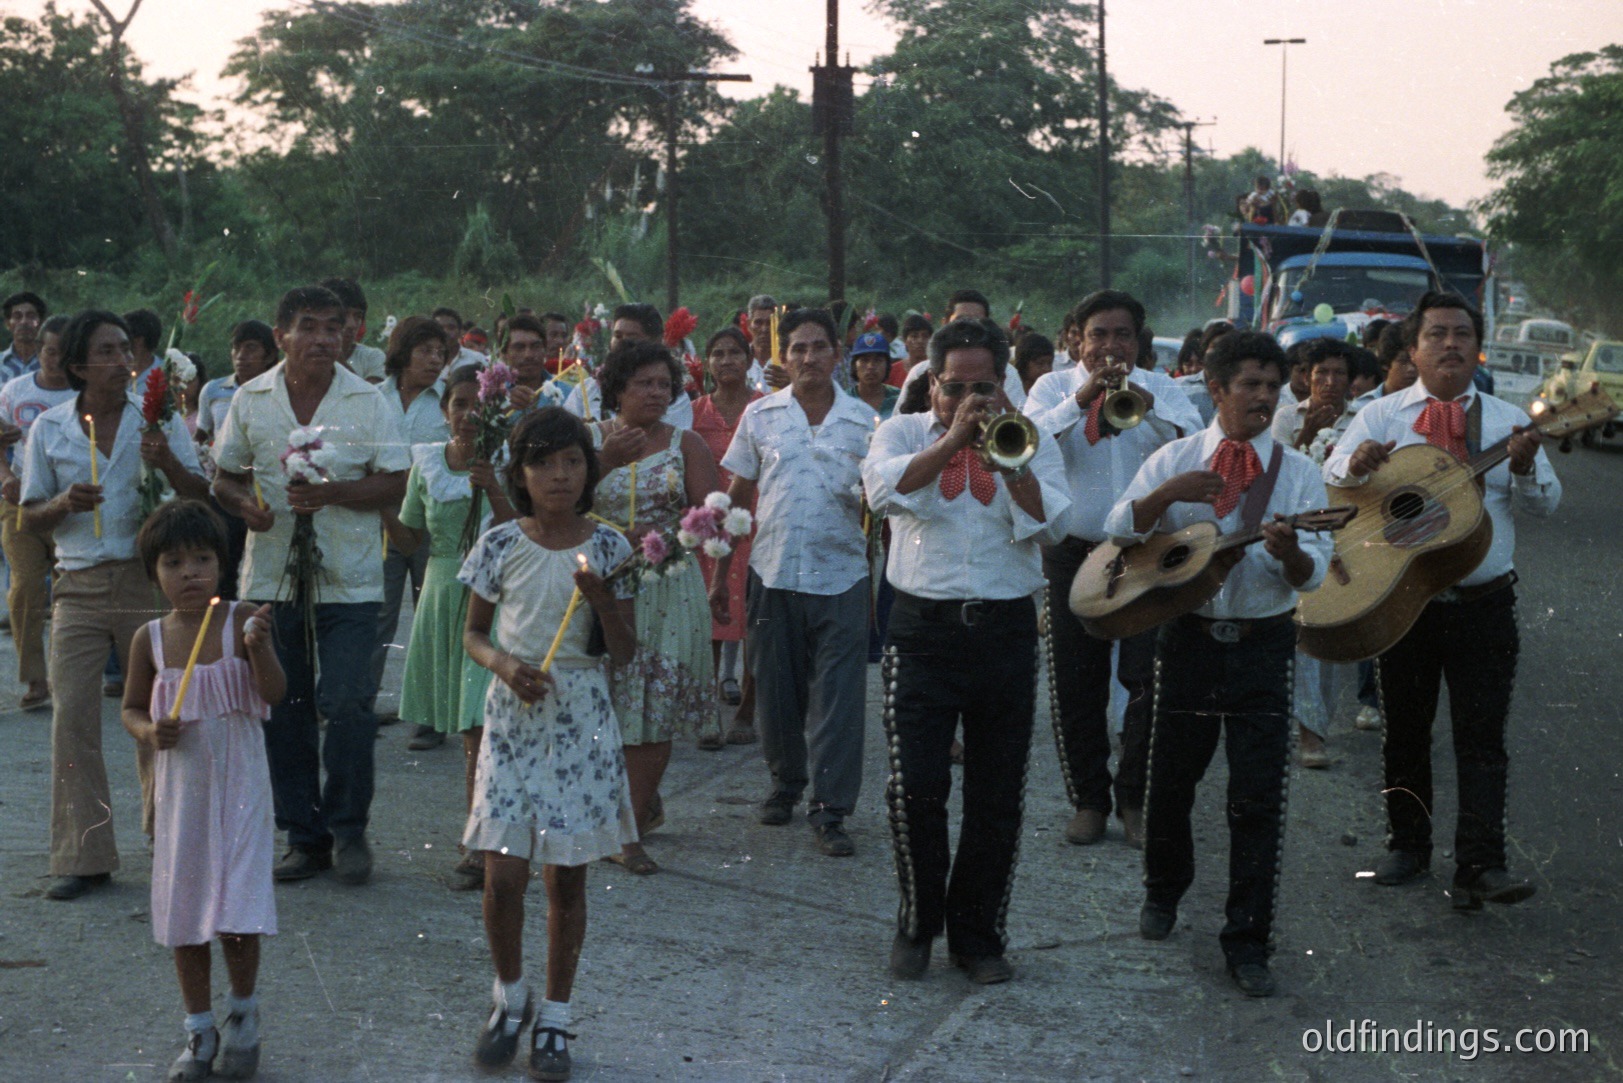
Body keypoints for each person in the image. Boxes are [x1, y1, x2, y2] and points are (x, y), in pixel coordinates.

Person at [1110, 330, 1332, 998]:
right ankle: (1162, 888)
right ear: (1215, 389)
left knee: (1256, 797)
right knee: (1171, 781)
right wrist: (1166, 492)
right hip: (1186, 638)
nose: (1264, 397)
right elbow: (1119, 532)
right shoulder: (1175, 457)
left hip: (1263, 643)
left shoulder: (1296, 473)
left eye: (1272, 386)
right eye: (1250, 385)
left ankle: (1247, 939)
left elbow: (1313, 574)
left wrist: (1290, 553)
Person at [1324, 291, 1559, 909]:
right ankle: (1408, 846)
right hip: (1403, 599)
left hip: (1484, 603)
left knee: (1481, 737)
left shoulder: (1510, 421)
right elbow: (1333, 476)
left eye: (1461, 334)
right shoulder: (1381, 415)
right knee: (1404, 728)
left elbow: (1546, 506)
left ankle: (1482, 864)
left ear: (1477, 348)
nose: (1450, 344)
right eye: (1436, 335)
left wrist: (1528, 467)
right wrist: (1358, 461)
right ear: (1413, 350)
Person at [863, 318, 1070, 985]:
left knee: (997, 795)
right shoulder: (898, 432)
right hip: (922, 631)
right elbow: (881, 493)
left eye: (984, 385)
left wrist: (1009, 464)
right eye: (955, 386)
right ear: (931, 384)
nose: (970, 398)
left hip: (1006, 630)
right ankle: (917, 923)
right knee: (915, 789)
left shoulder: (1028, 440)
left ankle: (978, 935)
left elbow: (1055, 527)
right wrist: (952, 439)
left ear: (1004, 382)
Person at [458, 407, 637, 1082]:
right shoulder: (500, 543)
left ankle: (556, 1017)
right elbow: (473, 633)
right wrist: (504, 664)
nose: (559, 476)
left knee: (565, 876)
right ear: (520, 474)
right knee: (502, 874)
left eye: (571, 461)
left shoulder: (612, 547)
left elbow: (623, 649)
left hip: (580, 720)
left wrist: (601, 600)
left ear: (589, 469)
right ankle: (509, 994)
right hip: (512, 719)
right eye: (543, 463)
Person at [211, 285, 411, 886]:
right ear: (282, 336)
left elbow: (396, 482)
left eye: (334, 327)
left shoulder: (369, 400)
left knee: (348, 701)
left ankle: (350, 831)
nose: (324, 338)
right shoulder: (251, 398)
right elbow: (222, 478)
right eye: (309, 326)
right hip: (272, 577)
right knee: (285, 704)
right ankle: (305, 836)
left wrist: (333, 495)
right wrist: (246, 505)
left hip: (351, 578)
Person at [20, 309, 209, 900]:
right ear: (78, 365)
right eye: (107, 351)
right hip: (75, 585)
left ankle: (172, 844)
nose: (123, 360)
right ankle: (86, 854)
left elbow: (198, 492)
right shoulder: (49, 429)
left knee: (158, 717)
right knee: (72, 719)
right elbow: (29, 514)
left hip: (142, 582)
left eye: (126, 349)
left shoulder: (157, 420)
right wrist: (63, 505)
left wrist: (167, 462)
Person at [1023, 290, 1202, 848]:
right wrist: (1082, 398)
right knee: (1077, 682)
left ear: (1137, 340)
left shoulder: (1164, 386)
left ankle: (1134, 798)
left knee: (1150, 680)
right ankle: (1089, 801)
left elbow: (1195, 446)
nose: (1109, 345)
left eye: (1121, 335)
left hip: (1147, 551)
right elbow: (1027, 444)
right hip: (1074, 549)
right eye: (1098, 334)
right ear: (1077, 337)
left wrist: (1147, 401)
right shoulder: (1051, 386)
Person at [121, 501, 286, 1082]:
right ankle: (199, 1029)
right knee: (187, 911)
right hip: (184, 797)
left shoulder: (242, 623)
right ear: (153, 572)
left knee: (238, 910)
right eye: (173, 562)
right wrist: (150, 731)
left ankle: (244, 1013)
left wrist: (261, 646)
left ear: (224, 563)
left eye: (203, 558)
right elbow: (132, 708)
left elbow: (274, 691)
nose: (190, 572)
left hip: (242, 789)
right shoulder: (151, 640)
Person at [714, 308, 877, 858]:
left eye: (819, 347)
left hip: (843, 576)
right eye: (798, 349)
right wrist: (718, 571)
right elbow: (738, 496)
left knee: (839, 698)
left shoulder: (865, 422)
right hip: (773, 572)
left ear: (838, 354)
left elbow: (883, 502)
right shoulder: (761, 417)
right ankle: (786, 784)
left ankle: (831, 809)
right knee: (776, 691)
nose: (809, 358)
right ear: (784, 358)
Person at [592, 340, 721, 871]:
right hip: (602, 589)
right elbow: (562, 501)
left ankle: (626, 833)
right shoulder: (589, 438)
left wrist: (663, 537)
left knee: (654, 706)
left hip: (667, 586)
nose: (655, 393)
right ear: (617, 389)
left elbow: (709, 520)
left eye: (664, 384)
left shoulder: (685, 444)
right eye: (643, 383)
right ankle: (628, 806)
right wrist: (605, 461)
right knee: (606, 704)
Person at [394, 368, 517, 887]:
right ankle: (481, 840)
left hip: (490, 597)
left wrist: (492, 486)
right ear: (444, 409)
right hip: (442, 592)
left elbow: (518, 528)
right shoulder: (425, 461)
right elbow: (408, 535)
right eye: (459, 404)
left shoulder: (507, 462)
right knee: (470, 730)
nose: (468, 414)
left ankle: (481, 845)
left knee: (480, 727)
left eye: (477, 405)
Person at [1269, 338, 1361, 768]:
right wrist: (1305, 434)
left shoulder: (1364, 420)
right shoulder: (1286, 417)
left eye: (1338, 374)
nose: (1328, 382)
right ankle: (1311, 735)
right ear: (1306, 376)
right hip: (1300, 533)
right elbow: (1273, 473)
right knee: (1307, 630)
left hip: (1355, 535)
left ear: (1350, 380)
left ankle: (1319, 722)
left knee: (1333, 636)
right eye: (1320, 373)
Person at [371, 316, 453, 729]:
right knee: (379, 614)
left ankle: (431, 716)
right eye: (426, 351)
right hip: (380, 522)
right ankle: (362, 705)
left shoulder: (446, 401)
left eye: (441, 353)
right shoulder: (373, 397)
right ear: (403, 353)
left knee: (430, 615)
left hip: (430, 522)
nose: (435, 360)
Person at [0, 313, 75, 710]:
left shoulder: (82, 396)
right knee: (26, 587)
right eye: (48, 351)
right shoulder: (14, 390)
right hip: (19, 502)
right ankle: (34, 678)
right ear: (40, 351)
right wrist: (4, 477)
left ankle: (66, 673)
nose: (54, 360)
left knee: (70, 593)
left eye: (62, 354)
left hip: (70, 506)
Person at [691, 327, 762, 743]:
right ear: (707, 362)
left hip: (756, 525)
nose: (726, 361)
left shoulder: (764, 407)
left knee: (753, 624)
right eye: (717, 354)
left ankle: (746, 715)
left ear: (749, 359)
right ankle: (706, 716)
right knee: (709, 624)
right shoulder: (695, 411)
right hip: (711, 531)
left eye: (734, 353)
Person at [562, 304, 694, 428]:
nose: (621, 343)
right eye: (617, 335)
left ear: (655, 341)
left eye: (631, 337)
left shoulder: (672, 395)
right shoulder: (588, 388)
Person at [318, 277, 386, 383]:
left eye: (358, 316)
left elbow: (370, 397)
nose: (352, 324)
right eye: (344, 314)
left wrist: (338, 360)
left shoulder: (372, 357)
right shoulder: (309, 354)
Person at [847, 331, 900, 418]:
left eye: (878, 360)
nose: (870, 366)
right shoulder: (844, 400)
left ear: (887, 365)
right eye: (864, 360)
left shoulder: (899, 398)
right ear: (854, 365)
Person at [1, 290, 46, 382]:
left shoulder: (52, 363)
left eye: (31, 316)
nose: (24, 322)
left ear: (41, 323)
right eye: (17, 316)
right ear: (7, 324)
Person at [892, 313, 932, 387]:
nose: (920, 340)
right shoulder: (892, 372)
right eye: (914, 336)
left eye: (925, 336)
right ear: (905, 340)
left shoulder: (935, 369)